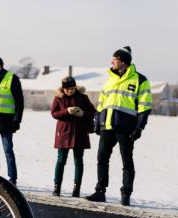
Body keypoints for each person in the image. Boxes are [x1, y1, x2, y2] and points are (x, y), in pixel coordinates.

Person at [86, 46, 152, 206]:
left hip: (126, 128)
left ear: (123, 62)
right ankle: (100, 191)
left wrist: (139, 127)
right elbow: (102, 103)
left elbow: (145, 106)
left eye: (114, 59)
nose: (111, 62)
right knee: (101, 158)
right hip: (107, 126)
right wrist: (97, 122)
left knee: (126, 161)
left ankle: (126, 193)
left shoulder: (140, 80)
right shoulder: (110, 79)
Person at [50, 76, 95, 197]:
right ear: (63, 88)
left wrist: (82, 113)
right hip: (64, 133)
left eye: (71, 88)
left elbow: (92, 112)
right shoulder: (58, 98)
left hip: (80, 133)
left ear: (75, 87)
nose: (69, 91)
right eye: (66, 89)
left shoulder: (83, 98)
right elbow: (54, 113)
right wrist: (67, 111)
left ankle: (76, 189)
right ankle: (57, 187)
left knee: (78, 161)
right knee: (61, 160)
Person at [0, 57, 24, 185]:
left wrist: (17, 120)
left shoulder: (12, 78)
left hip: (7, 121)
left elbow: (19, 101)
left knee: (8, 151)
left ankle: (12, 179)